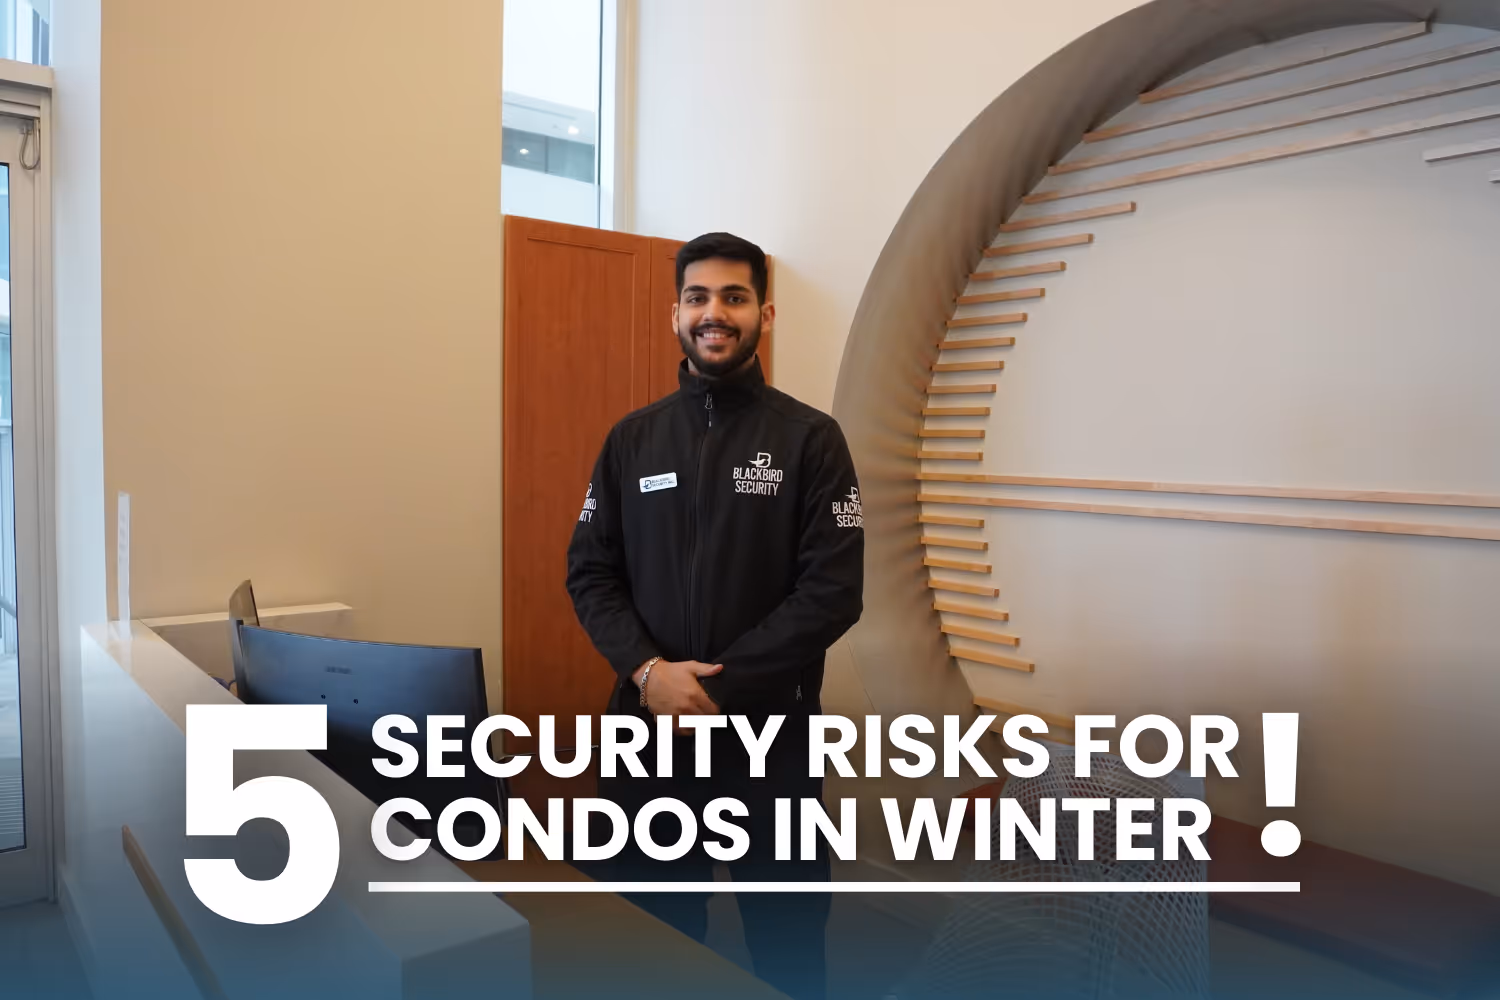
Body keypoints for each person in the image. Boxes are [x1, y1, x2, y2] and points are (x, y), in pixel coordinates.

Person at [566, 231, 864, 999]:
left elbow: (833, 590)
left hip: (771, 742)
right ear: (675, 313)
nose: (714, 314)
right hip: (649, 738)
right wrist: (648, 673)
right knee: (648, 942)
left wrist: (711, 689)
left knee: (788, 943)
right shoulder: (632, 441)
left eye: (735, 297)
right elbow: (590, 573)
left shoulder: (811, 440)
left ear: (766, 313)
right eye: (698, 297)